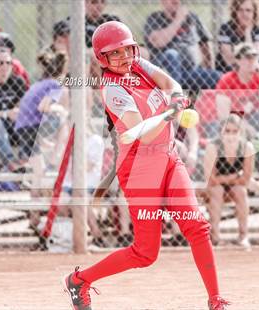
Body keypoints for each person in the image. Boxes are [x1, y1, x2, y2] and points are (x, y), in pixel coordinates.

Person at [62, 21, 229, 310]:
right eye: (115, 54)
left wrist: (176, 96)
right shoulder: (112, 89)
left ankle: (216, 301)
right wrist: (170, 112)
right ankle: (79, 280)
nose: (124, 57)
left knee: (197, 227)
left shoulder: (137, 64)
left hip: (169, 157)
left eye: (127, 49)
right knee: (145, 253)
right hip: (140, 170)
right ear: (102, 59)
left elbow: (170, 82)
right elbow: (144, 131)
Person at [15, 50, 69, 196]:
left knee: (38, 173)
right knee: (64, 118)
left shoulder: (40, 83)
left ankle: (34, 216)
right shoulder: (56, 85)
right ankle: (55, 158)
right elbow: (43, 107)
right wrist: (61, 109)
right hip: (31, 128)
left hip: (25, 127)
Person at [144, 0, 221, 91]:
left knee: (219, 77)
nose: (176, 1)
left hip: (190, 72)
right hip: (166, 73)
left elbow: (205, 45)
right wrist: (178, 20)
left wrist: (209, 69)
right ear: (163, 2)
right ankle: (175, 96)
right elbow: (158, 42)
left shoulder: (192, 18)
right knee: (171, 54)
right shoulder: (155, 18)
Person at [203, 114, 254, 250]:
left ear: (240, 132)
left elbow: (246, 179)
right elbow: (211, 179)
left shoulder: (246, 147)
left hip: (235, 187)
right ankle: (215, 237)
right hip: (214, 189)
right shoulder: (213, 147)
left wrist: (230, 179)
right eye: (227, 131)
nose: (231, 135)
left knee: (240, 191)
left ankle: (243, 236)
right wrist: (235, 176)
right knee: (217, 190)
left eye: (235, 131)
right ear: (221, 132)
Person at [216, 42, 259, 137]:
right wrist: (244, 126)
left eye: (254, 57)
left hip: (256, 120)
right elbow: (223, 115)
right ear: (238, 61)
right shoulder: (227, 80)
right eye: (247, 58)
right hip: (235, 123)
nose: (251, 61)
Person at [215, 0, 259, 73]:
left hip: (251, 69)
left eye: (248, 10)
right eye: (240, 10)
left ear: (254, 13)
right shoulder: (225, 28)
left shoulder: (258, 29)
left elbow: (253, 56)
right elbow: (229, 60)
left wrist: (247, 33)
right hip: (227, 69)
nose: (244, 14)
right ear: (235, 11)